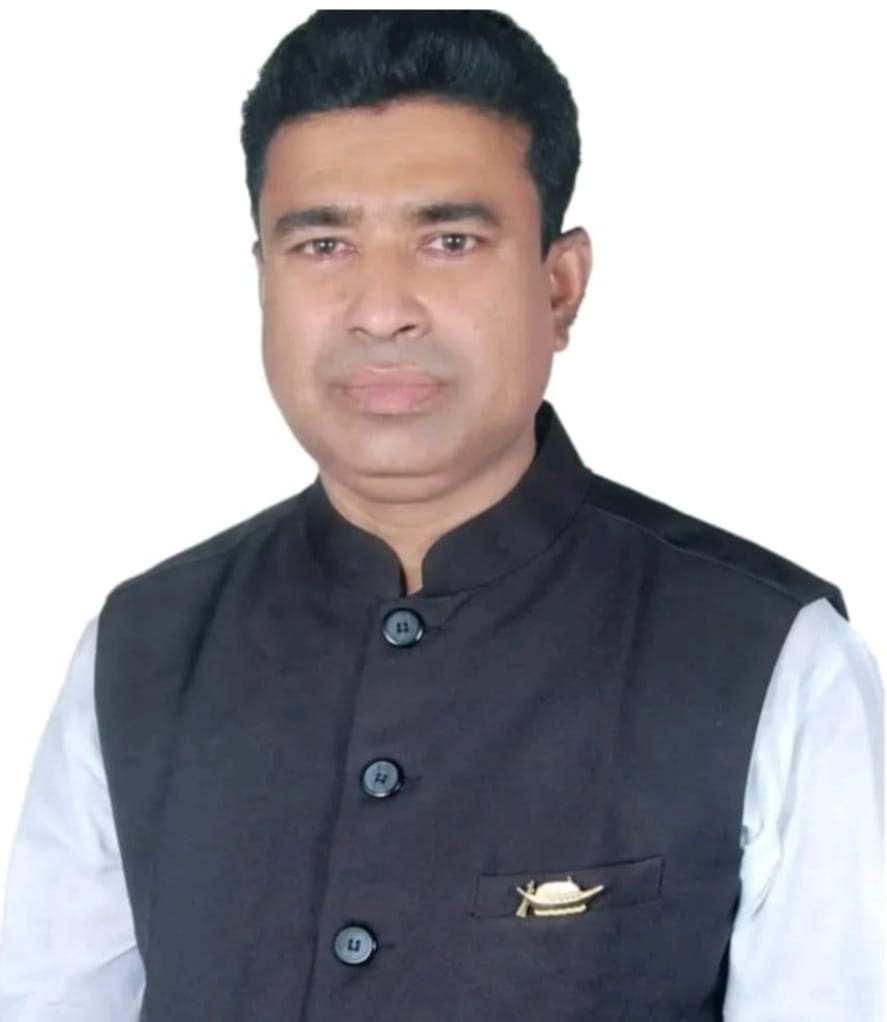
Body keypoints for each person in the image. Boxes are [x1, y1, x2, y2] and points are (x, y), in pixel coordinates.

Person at [0, 9, 882, 1021]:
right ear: (263, 279)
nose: (382, 309)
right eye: (322, 243)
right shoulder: (142, 651)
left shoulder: (768, 657)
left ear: (559, 285)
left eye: (449, 240)